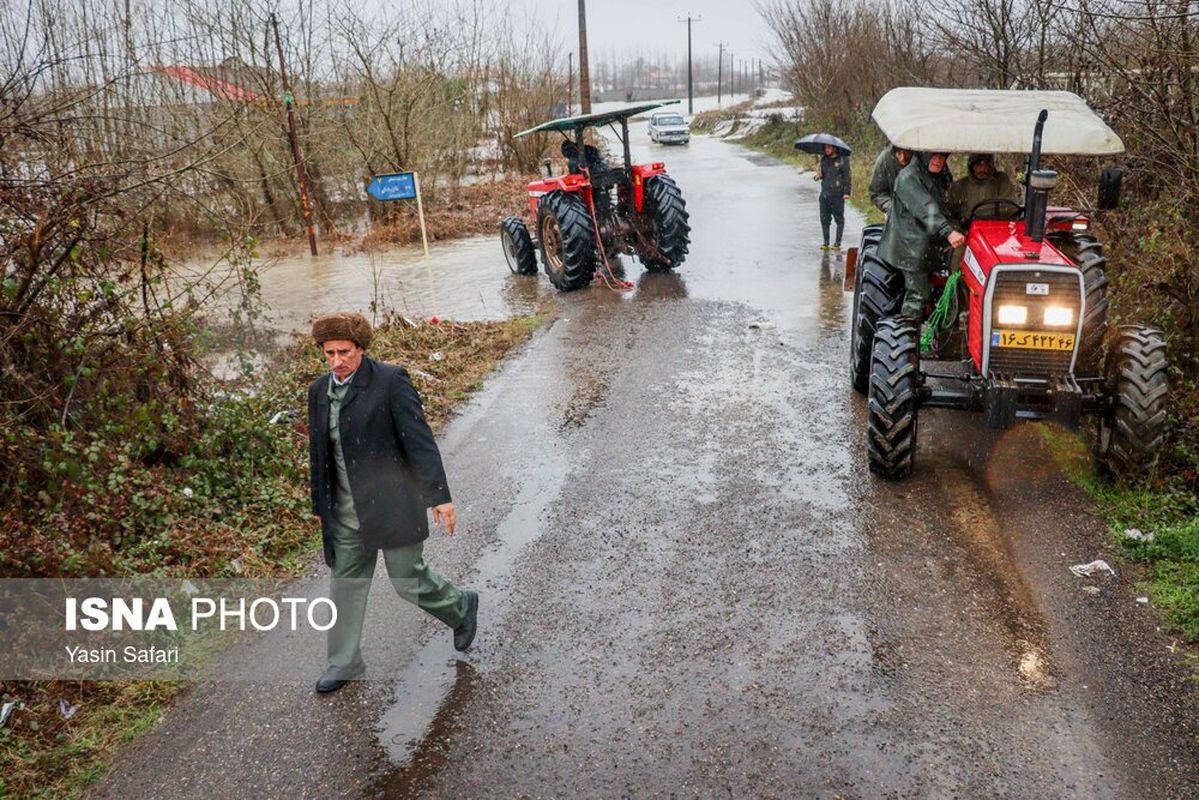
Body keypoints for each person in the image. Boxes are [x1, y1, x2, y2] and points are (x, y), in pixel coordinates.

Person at [307, 312, 479, 694]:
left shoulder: (389, 381)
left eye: (345, 352)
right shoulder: (319, 391)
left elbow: (418, 440)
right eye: (330, 353)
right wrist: (321, 504)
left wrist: (440, 496)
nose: (337, 361)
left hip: (391, 503)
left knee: (407, 579)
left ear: (361, 350)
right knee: (345, 584)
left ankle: (461, 607)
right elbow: (319, 453)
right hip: (347, 512)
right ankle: (344, 660)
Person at [876, 152, 966, 320]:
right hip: (910, 246)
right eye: (934, 156)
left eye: (942, 157)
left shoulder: (939, 175)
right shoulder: (908, 178)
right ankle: (909, 336)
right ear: (924, 155)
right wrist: (948, 231)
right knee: (918, 294)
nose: (938, 161)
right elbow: (926, 209)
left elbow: (947, 202)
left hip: (929, 243)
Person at [945, 153, 1022, 227]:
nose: (982, 169)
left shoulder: (1001, 181)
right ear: (972, 167)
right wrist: (958, 229)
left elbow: (1010, 207)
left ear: (991, 166)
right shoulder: (959, 186)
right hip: (968, 230)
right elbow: (947, 213)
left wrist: (976, 213)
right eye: (978, 165)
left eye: (986, 165)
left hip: (998, 227)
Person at [814, 143, 851, 249]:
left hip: (838, 194)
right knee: (824, 218)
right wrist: (817, 176)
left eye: (829, 147)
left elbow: (847, 176)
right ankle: (826, 242)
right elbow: (821, 175)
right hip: (825, 194)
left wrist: (847, 192)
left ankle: (837, 243)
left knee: (839, 219)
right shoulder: (824, 160)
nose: (827, 149)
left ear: (834, 148)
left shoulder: (843, 159)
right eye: (825, 147)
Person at [868, 145, 912, 216]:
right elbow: (877, 192)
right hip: (895, 212)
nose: (902, 158)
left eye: (906, 153)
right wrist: (892, 209)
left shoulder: (921, 156)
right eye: (899, 154)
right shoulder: (884, 160)